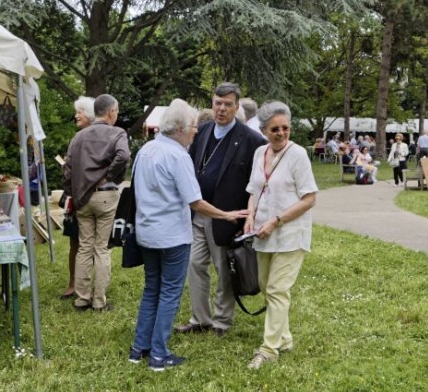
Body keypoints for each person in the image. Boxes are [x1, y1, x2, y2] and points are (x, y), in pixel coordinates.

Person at [129, 100, 252, 371]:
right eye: (194, 127)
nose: (197, 132)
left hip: (147, 232)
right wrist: (227, 215)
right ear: (182, 128)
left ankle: (139, 348)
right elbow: (195, 201)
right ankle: (159, 354)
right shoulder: (178, 156)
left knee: (152, 290)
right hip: (172, 236)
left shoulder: (146, 150)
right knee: (170, 294)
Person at [176, 83, 266, 336]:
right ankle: (200, 319)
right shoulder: (202, 131)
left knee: (224, 269)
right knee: (194, 265)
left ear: (237, 107)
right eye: (218, 103)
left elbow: (256, 183)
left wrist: (250, 216)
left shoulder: (251, 140)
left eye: (228, 104)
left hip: (227, 217)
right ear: (211, 104)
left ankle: (222, 321)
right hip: (198, 213)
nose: (222, 109)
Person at [243, 101, 318, 369]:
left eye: (286, 128)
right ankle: (284, 338)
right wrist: (251, 215)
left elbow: (309, 198)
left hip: (290, 233)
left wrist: (276, 221)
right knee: (265, 285)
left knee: (277, 288)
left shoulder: (297, 155)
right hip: (262, 232)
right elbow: (253, 190)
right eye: (275, 129)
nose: (282, 133)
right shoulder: (259, 152)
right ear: (263, 130)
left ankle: (269, 349)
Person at [63, 94, 131, 311]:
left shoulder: (79, 136)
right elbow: (124, 156)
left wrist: (71, 191)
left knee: (84, 247)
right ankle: (99, 301)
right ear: (111, 111)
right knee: (101, 248)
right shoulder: (117, 133)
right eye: (117, 111)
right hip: (105, 196)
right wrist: (109, 176)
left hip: (83, 197)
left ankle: (81, 298)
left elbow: (67, 169)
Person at [61, 96, 96, 299]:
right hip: (74, 196)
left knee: (92, 244)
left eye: (80, 111)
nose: (76, 115)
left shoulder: (96, 137)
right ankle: (73, 283)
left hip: (90, 197)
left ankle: (87, 285)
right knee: (75, 241)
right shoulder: (76, 138)